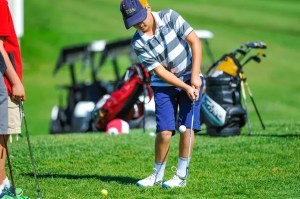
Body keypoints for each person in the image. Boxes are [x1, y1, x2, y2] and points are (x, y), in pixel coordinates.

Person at [120, 0, 204, 188]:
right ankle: (157, 175)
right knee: (165, 131)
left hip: (191, 76)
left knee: (187, 128)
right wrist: (184, 87)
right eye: (134, 21)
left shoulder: (169, 16)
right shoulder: (138, 41)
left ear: (148, 7)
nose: (139, 24)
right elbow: (160, 72)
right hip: (164, 84)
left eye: (141, 17)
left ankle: (181, 177)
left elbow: (194, 41)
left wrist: (195, 76)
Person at [0, 0, 27, 197]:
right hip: (4, 79)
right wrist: (15, 81)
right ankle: (1, 188)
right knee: (2, 132)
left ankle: (3, 182)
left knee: (3, 132)